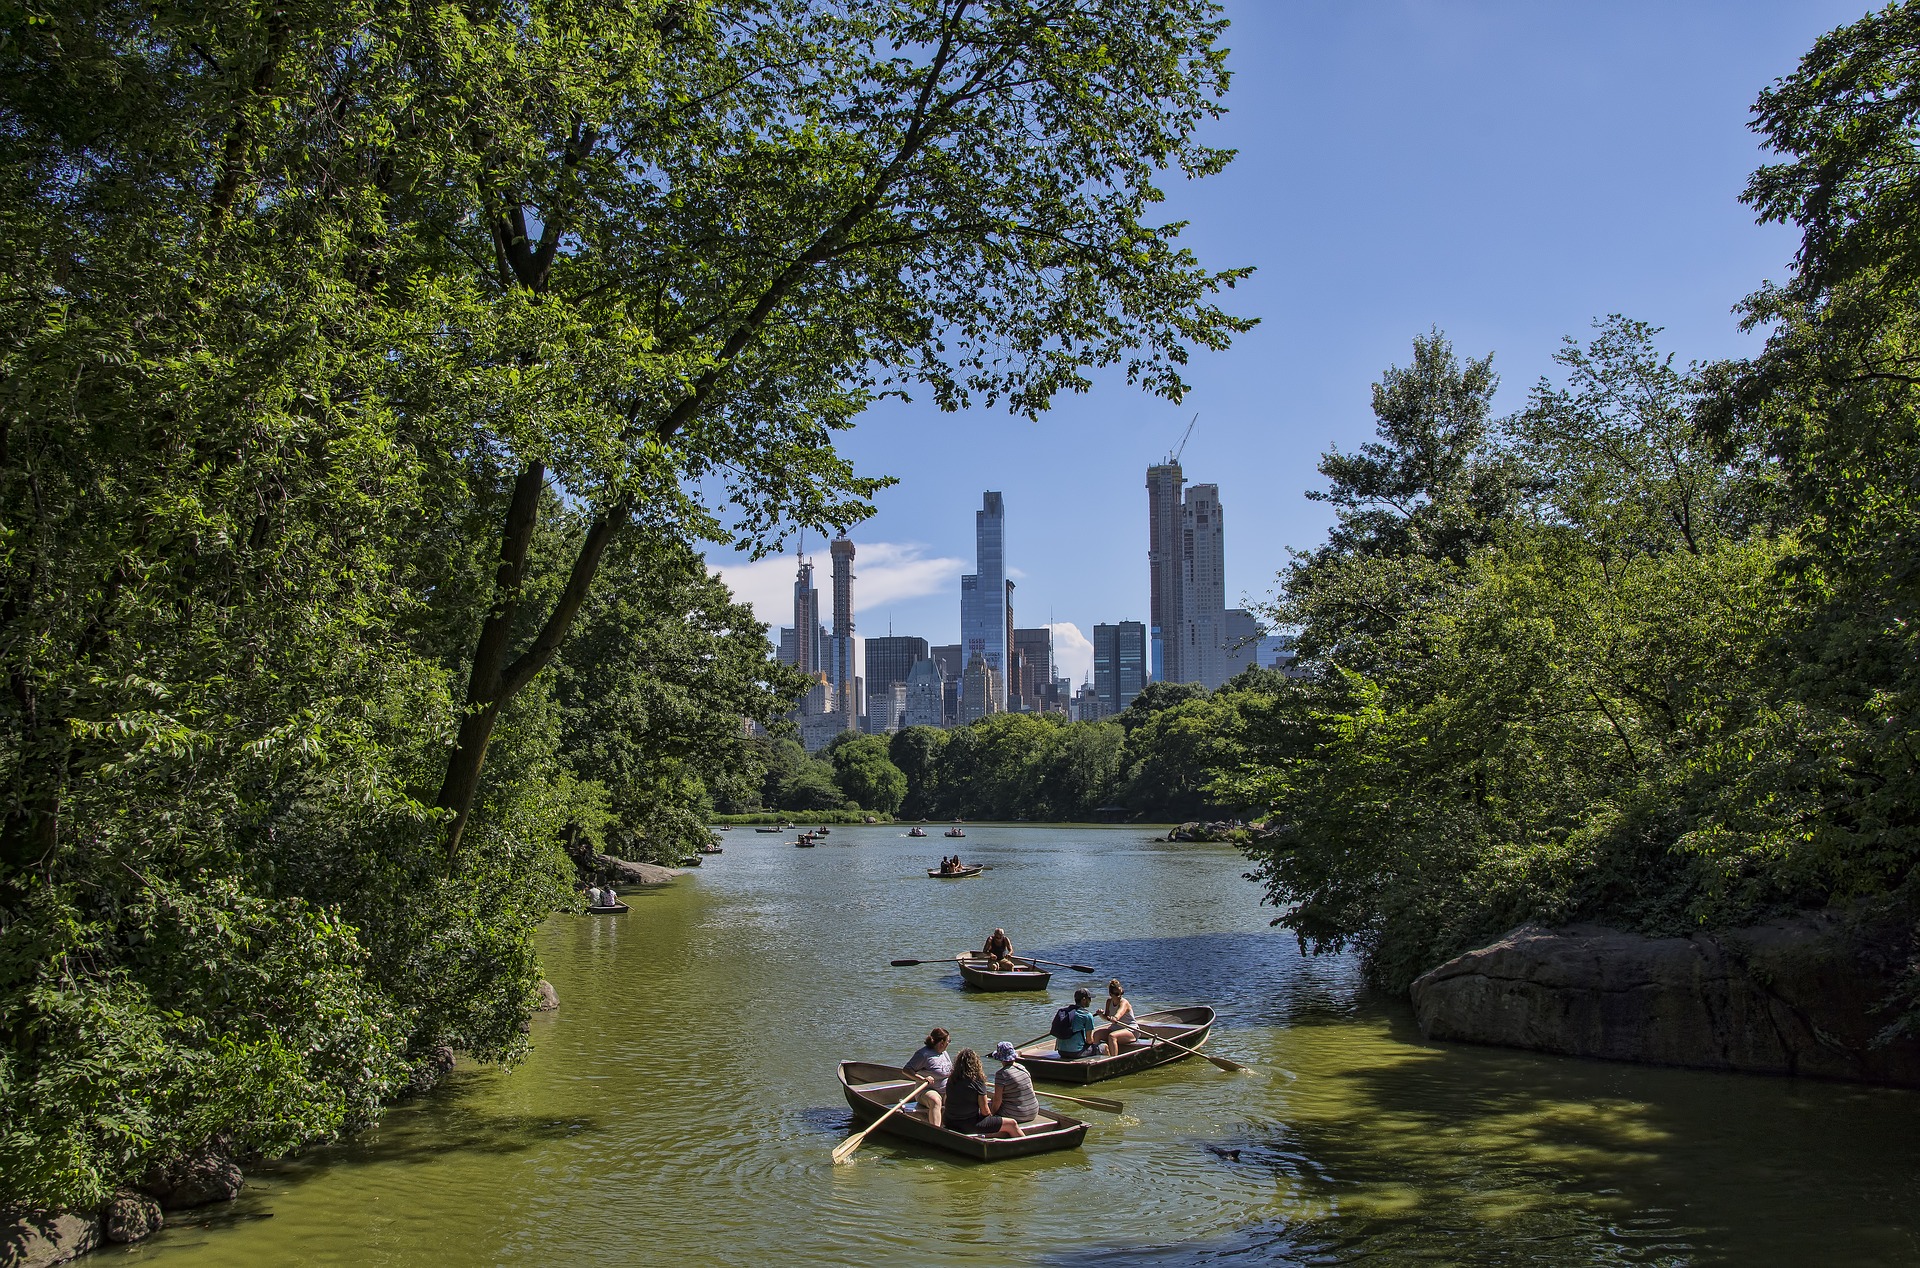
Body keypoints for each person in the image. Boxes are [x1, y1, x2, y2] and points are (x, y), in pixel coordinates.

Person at [944, 1048, 1023, 1138]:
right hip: (968, 1125)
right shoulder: (977, 1081)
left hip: (950, 1121)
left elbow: (947, 1101)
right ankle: (1028, 1144)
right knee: (1012, 1123)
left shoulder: (951, 1080)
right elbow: (985, 1111)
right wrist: (992, 1118)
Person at [902, 1027, 952, 1127]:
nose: (949, 1043)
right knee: (936, 1101)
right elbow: (906, 1070)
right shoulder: (923, 1054)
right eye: (948, 1041)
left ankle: (955, 1127)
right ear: (941, 1042)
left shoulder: (944, 1054)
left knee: (959, 1095)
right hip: (926, 1091)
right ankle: (936, 1130)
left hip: (945, 1090)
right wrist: (922, 1079)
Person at [989, 1041, 1038, 1130]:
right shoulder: (1023, 1068)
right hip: (1034, 1111)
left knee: (985, 1107)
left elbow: (997, 1100)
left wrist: (990, 1116)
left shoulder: (1001, 1074)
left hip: (1017, 1115)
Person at [1052, 988, 1099, 1059]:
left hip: (1061, 1051)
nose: (1090, 1001)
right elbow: (1089, 1041)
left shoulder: (1064, 1012)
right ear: (1083, 1000)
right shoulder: (1087, 1015)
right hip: (1076, 1052)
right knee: (1104, 1047)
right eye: (1089, 998)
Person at [1093, 979, 1137, 1054]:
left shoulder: (1124, 1002)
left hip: (1130, 1030)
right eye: (1117, 994)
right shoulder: (1109, 1002)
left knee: (1112, 1036)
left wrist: (1115, 1018)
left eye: (1121, 993)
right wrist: (1101, 1015)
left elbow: (1119, 1013)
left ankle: (1113, 1060)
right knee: (1096, 1034)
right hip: (1115, 1028)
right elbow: (1106, 1018)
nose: (1120, 996)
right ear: (1110, 994)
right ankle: (1097, 1055)